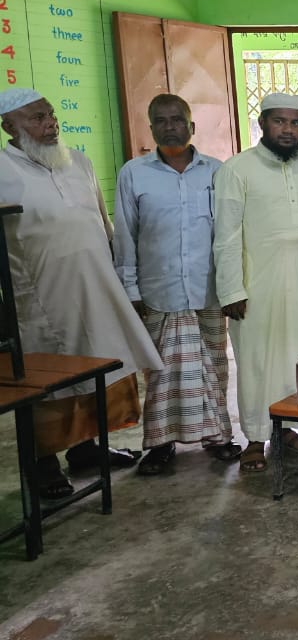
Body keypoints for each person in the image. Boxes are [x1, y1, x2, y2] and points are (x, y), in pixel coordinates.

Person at [0, 87, 162, 499]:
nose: (50, 123)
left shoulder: (79, 163)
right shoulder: (1, 170)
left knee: (96, 366)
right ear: (9, 127)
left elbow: (104, 226)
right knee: (48, 381)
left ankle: (87, 450)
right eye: (36, 118)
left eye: (51, 114)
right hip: (39, 298)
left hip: (96, 288)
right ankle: (44, 464)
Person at [113, 94, 237, 475]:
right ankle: (160, 444)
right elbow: (125, 237)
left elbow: (230, 235)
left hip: (208, 291)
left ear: (191, 126)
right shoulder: (133, 173)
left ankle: (217, 436)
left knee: (213, 368)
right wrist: (131, 291)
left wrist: (234, 288)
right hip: (158, 293)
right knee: (160, 373)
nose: (170, 126)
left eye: (177, 119)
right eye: (161, 120)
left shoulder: (217, 172)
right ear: (151, 128)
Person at [214, 93, 298, 472]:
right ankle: (255, 437)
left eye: (294, 123)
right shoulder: (236, 169)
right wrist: (232, 290)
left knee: (297, 358)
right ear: (262, 123)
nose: (288, 130)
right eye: (279, 122)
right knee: (257, 362)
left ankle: (289, 430)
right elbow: (226, 236)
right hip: (256, 287)